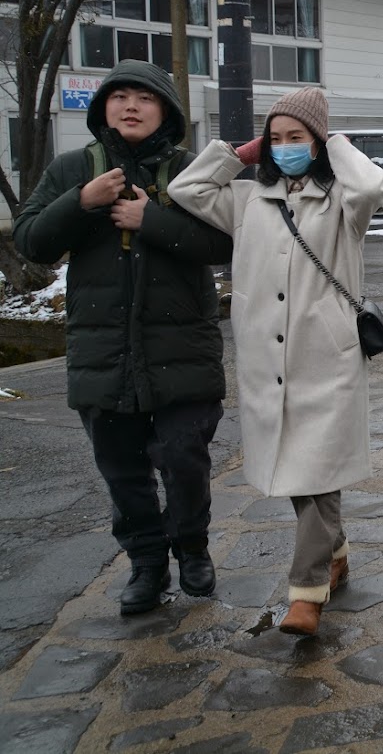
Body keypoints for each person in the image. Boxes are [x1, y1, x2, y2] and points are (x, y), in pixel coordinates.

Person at [170, 88, 383, 636]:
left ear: (318, 145)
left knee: (318, 472)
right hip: (267, 362)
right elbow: (187, 188)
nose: (285, 147)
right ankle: (335, 552)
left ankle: (306, 593)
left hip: (328, 360)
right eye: (277, 138)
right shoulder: (247, 200)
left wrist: (333, 139)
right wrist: (240, 154)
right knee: (300, 470)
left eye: (298, 138)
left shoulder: (344, 202)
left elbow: (370, 183)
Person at [14, 60, 232, 615]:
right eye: (119, 96)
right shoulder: (72, 170)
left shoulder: (189, 170)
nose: (130, 105)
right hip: (102, 352)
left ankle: (192, 547)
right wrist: (82, 202)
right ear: (102, 107)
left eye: (144, 97)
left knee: (184, 457)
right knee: (122, 468)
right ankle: (146, 563)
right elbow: (31, 241)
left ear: (167, 111)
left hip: (182, 347)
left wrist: (149, 219)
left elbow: (228, 242)